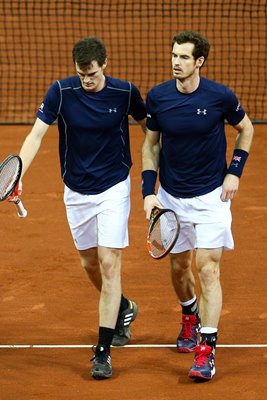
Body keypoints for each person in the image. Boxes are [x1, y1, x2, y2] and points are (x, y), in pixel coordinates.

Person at [11, 36, 146, 380]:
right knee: (89, 262)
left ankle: (103, 352)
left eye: (92, 74)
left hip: (114, 185)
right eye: (81, 74)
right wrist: (17, 174)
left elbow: (150, 129)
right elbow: (35, 136)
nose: (87, 80)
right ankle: (123, 306)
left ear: (105, 64)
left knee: (109, 261)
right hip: (76, 190)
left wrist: (166, 163)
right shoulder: (61, 91)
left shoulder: (125, 92)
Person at [141, 30, 253, 381]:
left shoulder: (220, 96)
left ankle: (206, 348)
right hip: (173, 197)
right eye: (174, 55)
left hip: (211, 198)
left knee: (208, 269)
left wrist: (234, 171)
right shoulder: (158, 97)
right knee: (179, 269)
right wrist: (148, 191)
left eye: (184, 57)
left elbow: (246, 129)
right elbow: (150, 146)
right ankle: (190, 314)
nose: (176, 61)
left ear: (199, 61)